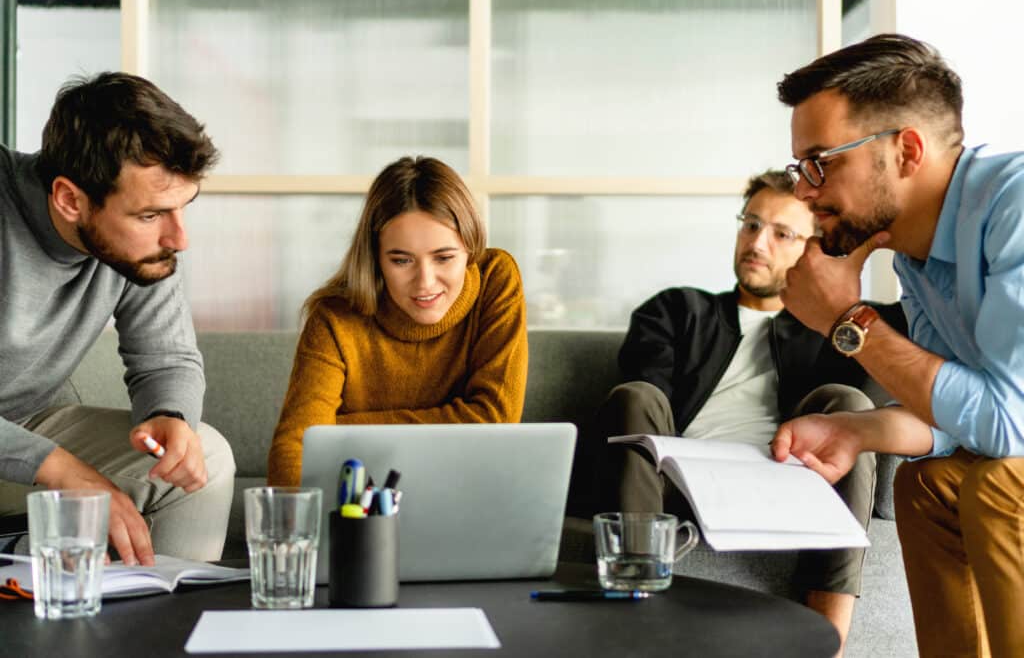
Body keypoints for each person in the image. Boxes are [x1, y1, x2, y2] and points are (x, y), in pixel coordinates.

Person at [771, 33, 1024, 657]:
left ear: (906, 150)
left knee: (995, 485)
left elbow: (1008, 427)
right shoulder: (917, 256)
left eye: (821, 161)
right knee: (924, 486)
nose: (803, 190)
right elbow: (959, 418)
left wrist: (846, 319)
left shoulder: (1016, 205)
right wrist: (859, 432)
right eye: (799, 168)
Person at [589, 170, 905, 653]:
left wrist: (835, 300)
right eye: (751, 224)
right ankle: (638, 619)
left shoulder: (835, 330)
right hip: (673, 480)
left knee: (850, 407)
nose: (758, 242)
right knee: (634, 396)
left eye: (783, 233)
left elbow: (896, 356)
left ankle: (830, 642)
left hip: (788, 475)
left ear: (813, 248)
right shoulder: (676, 310)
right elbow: (645, 401)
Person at [0, 72, 236, 565]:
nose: (179, 238)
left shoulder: (143, 249)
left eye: (183, 207)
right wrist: (63, 470)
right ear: (70, 199)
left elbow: (166, 358)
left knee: (203, 457)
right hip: (28, 450)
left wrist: (170, 416)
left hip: (25, 424)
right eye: (151, 215)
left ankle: (165, 629)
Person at [268, 156, 528, 486]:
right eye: (401, 260)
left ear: (470, 248)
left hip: (469, 486)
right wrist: (296, 530)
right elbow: (298, 446)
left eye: (444, 258)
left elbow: (495, 420)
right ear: (375, 258)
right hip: (363, 506)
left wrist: (339, 429)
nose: (425, 282)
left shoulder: (496, 277)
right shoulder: (335, 316)